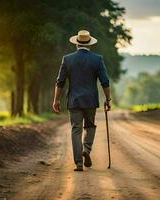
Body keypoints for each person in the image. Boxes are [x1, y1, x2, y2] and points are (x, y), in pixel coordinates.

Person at [53, 30, 111, 171]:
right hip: (90, 101)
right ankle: (87, 149)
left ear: (76, 44)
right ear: (90, 44)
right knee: (90, 126)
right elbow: (105, 81)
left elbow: (60, 82)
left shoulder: (67, 59)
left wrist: (56, 100)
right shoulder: (97, 59)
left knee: (76, 130)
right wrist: (108, 99)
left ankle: (78, 163)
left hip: (74, 100)